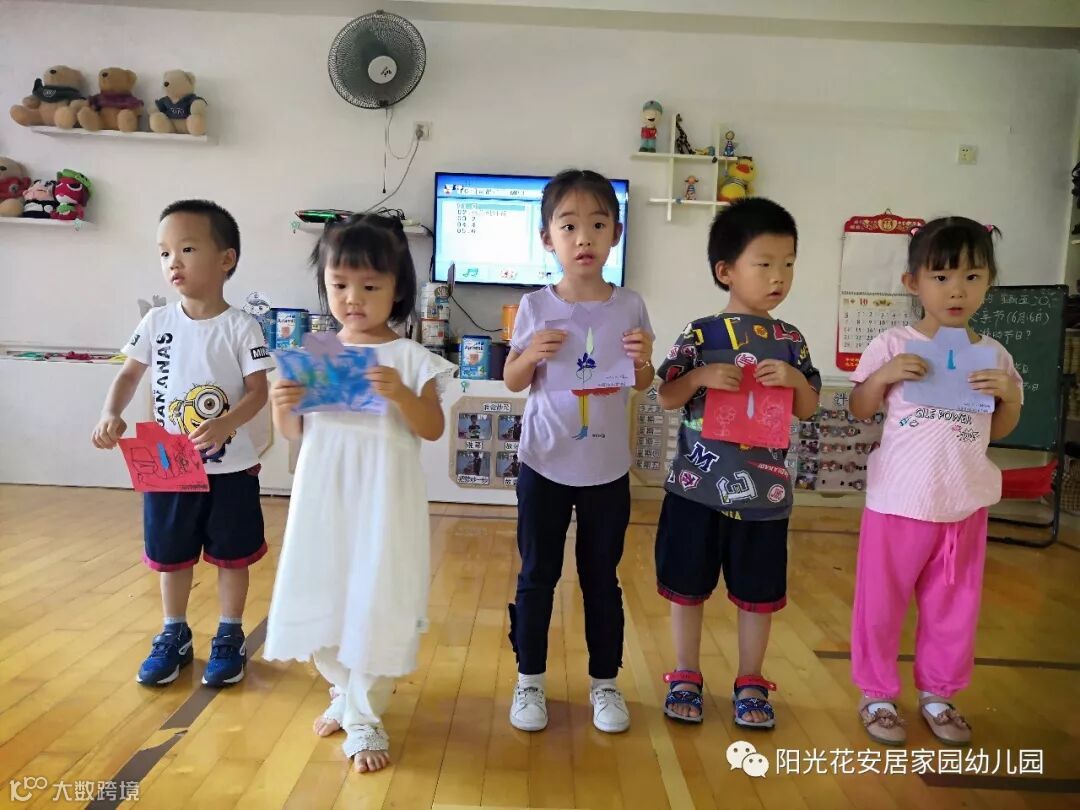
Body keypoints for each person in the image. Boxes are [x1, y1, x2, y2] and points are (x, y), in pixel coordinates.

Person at [263, 214, 454, 772]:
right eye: (340, 284)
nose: (353, 298)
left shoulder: (411, 357)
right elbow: (296, 432)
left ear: (398, 290)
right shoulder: (318, 355)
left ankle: (366, 716)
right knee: (320, 592)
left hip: (384, 501)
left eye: (370, 286)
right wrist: (282, 407)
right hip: (324, 498)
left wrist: (401, 395)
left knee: (377, 598)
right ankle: (344, 692)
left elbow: (432, 428)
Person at [848, 217, 1022, 746]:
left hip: (963, 503)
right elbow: (860, 408)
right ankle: (877, 694)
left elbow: (999, 429)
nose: (956, 290)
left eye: (972, 277)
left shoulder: (995, 354)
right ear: (913, 283)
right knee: (881, 605)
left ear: (989, 282)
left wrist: (1009, 396)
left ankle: (939, 694)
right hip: (898, 502)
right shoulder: (892, 344)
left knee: (955, 608)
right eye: (941, 277)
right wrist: (884, 376)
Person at [654, 198, 821, 728]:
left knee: (757, 595)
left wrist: (794, 381)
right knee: (687, 587)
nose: (779, 277)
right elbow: (666, 396)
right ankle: (685, 673)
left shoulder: (790, 340)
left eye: (788, 264)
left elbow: (809, 407)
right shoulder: (700, 334)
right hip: (695, 490)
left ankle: (751, 679)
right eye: (764, 263)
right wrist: (700, 377)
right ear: (725, 270)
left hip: (765, 497)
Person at [91, 199, 273, 688]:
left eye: (187, 249)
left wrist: (226, 423)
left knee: (232, 553)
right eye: (164, 252)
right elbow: (129, 375)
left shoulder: (242, 326)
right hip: (168, 462)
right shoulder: (156, 322)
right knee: (170, 553)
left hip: (231, 467)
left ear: (226, 259)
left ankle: (230, 633)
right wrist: (111, 413)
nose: (174, 261)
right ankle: (174, 632)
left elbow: (258, 392)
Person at [503, 169, 654, 734]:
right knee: (537, 574)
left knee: (601, 578)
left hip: (606, 469)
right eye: (569, 226)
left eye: (597, 224)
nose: (584, 237)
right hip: (544, 462)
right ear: (548, 238)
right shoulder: (534, 305)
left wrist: (643, 361)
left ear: (615, 233)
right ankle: (530, 680)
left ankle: (605, 683)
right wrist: (530, 354)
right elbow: (514, 380)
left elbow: (643, 381)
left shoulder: (630, 305)